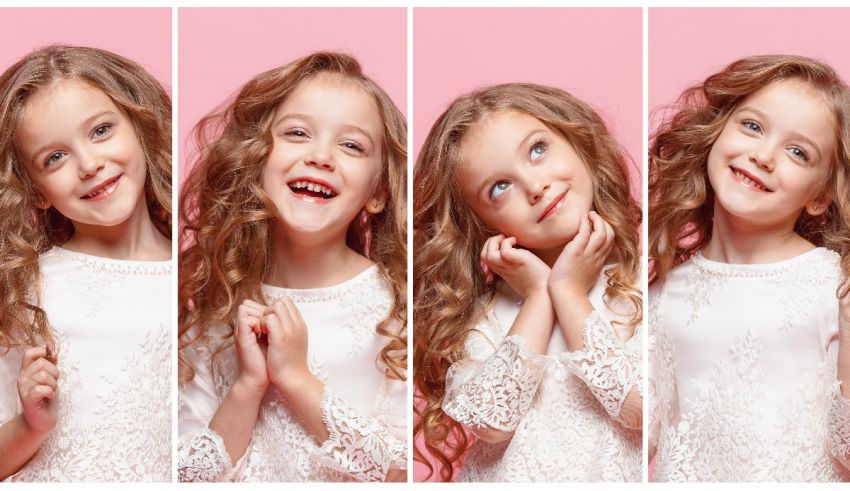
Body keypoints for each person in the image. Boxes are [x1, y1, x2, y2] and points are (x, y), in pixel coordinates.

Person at [177, 51, 407, 482]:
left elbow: (398, 475)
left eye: (352, 145)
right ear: (254, 161)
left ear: (377, 192)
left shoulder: (395, 310)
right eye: (298, 133)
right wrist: (248, 385)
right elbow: (190, 477)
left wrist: (295, 377)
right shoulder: (215, 306)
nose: (321, 156)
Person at [413, 83, 643, 482]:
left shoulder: (641, 286)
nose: (535, 187)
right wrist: (539, 296)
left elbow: (638, 408)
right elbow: (492, 422)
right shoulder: (486, 314)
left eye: (538, 150)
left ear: (579, 143)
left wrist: (568, 293)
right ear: (483, 225)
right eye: (500, 187)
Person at [649, 54, 850, 482]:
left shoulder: (835, 288)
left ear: (819, 197)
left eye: (798, 152)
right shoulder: (665, 292)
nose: (763, 155)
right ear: (716, 134)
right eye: (753, 126)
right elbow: (643, 434)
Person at [0, 45, 172, 482]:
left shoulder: (197, 276)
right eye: (54, 157)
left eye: (100, 131)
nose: (90, 164)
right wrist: (30, 425)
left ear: (140, 127)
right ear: (36, 190)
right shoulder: (28, 291)